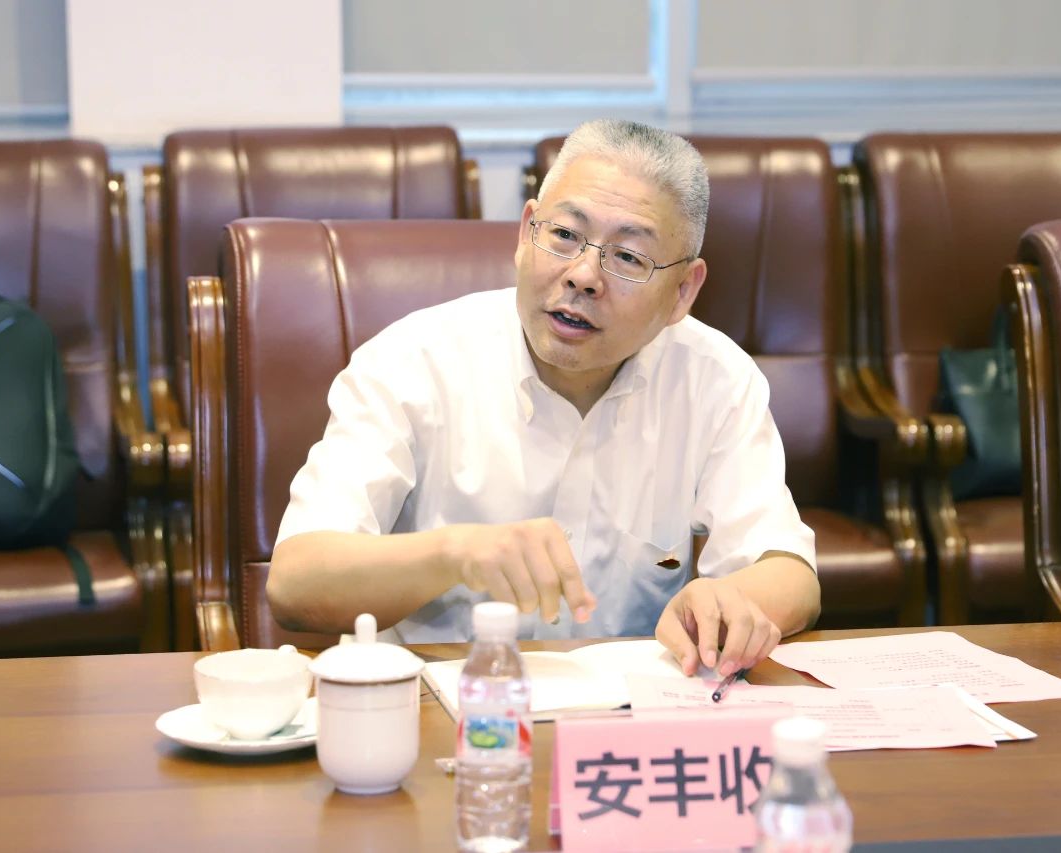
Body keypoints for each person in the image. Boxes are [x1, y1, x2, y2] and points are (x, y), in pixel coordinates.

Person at [269, 119, 819, 678]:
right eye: (564, 235)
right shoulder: (412, 362)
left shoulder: (713, 377)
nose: (583, 276)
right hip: (440, 706)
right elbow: (294, 582)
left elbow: (790, 572)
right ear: (525, 232)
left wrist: (733, 601)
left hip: (630, 710)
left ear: (683, 291)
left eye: (629, 258)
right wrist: (455, 553)